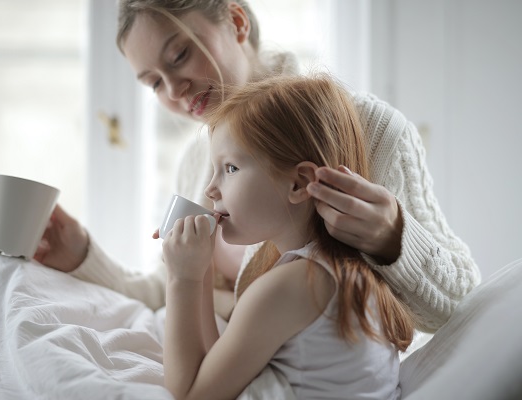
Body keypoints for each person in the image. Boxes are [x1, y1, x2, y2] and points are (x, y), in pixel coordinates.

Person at [34, 0, 480, 333]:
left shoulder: (369, 128)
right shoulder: (197, 162)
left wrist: (393, 238)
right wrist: (82, 256)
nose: (173, 89)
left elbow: (462, 307)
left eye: (179, 56)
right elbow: (166, 290)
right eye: (153, 82)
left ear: (237, 21)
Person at [162, 73, 415, 400]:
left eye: (230, 168)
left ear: (298, 184)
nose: (211, 189)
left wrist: (181, 279)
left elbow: (189, 395)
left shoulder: (288, 286)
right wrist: (202, 268)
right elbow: (221, 369)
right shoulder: (342, 270)